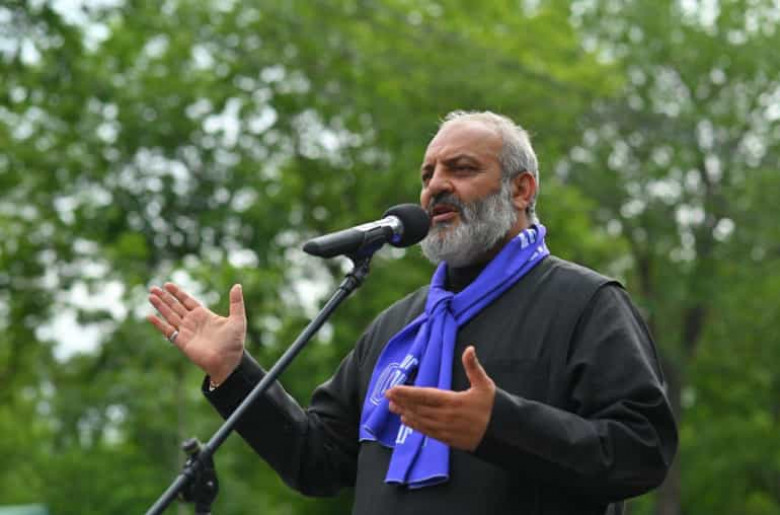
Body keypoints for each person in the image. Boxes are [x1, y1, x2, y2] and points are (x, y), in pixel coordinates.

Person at [148, 111, 677, 514]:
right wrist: (234, 373)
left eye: (461, 168)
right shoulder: (397, 327)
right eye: (428, 175)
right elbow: (317, 462)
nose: (436, 186)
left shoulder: (585, 303)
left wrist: (500, 425)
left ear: (521, 190)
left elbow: (642, 449)